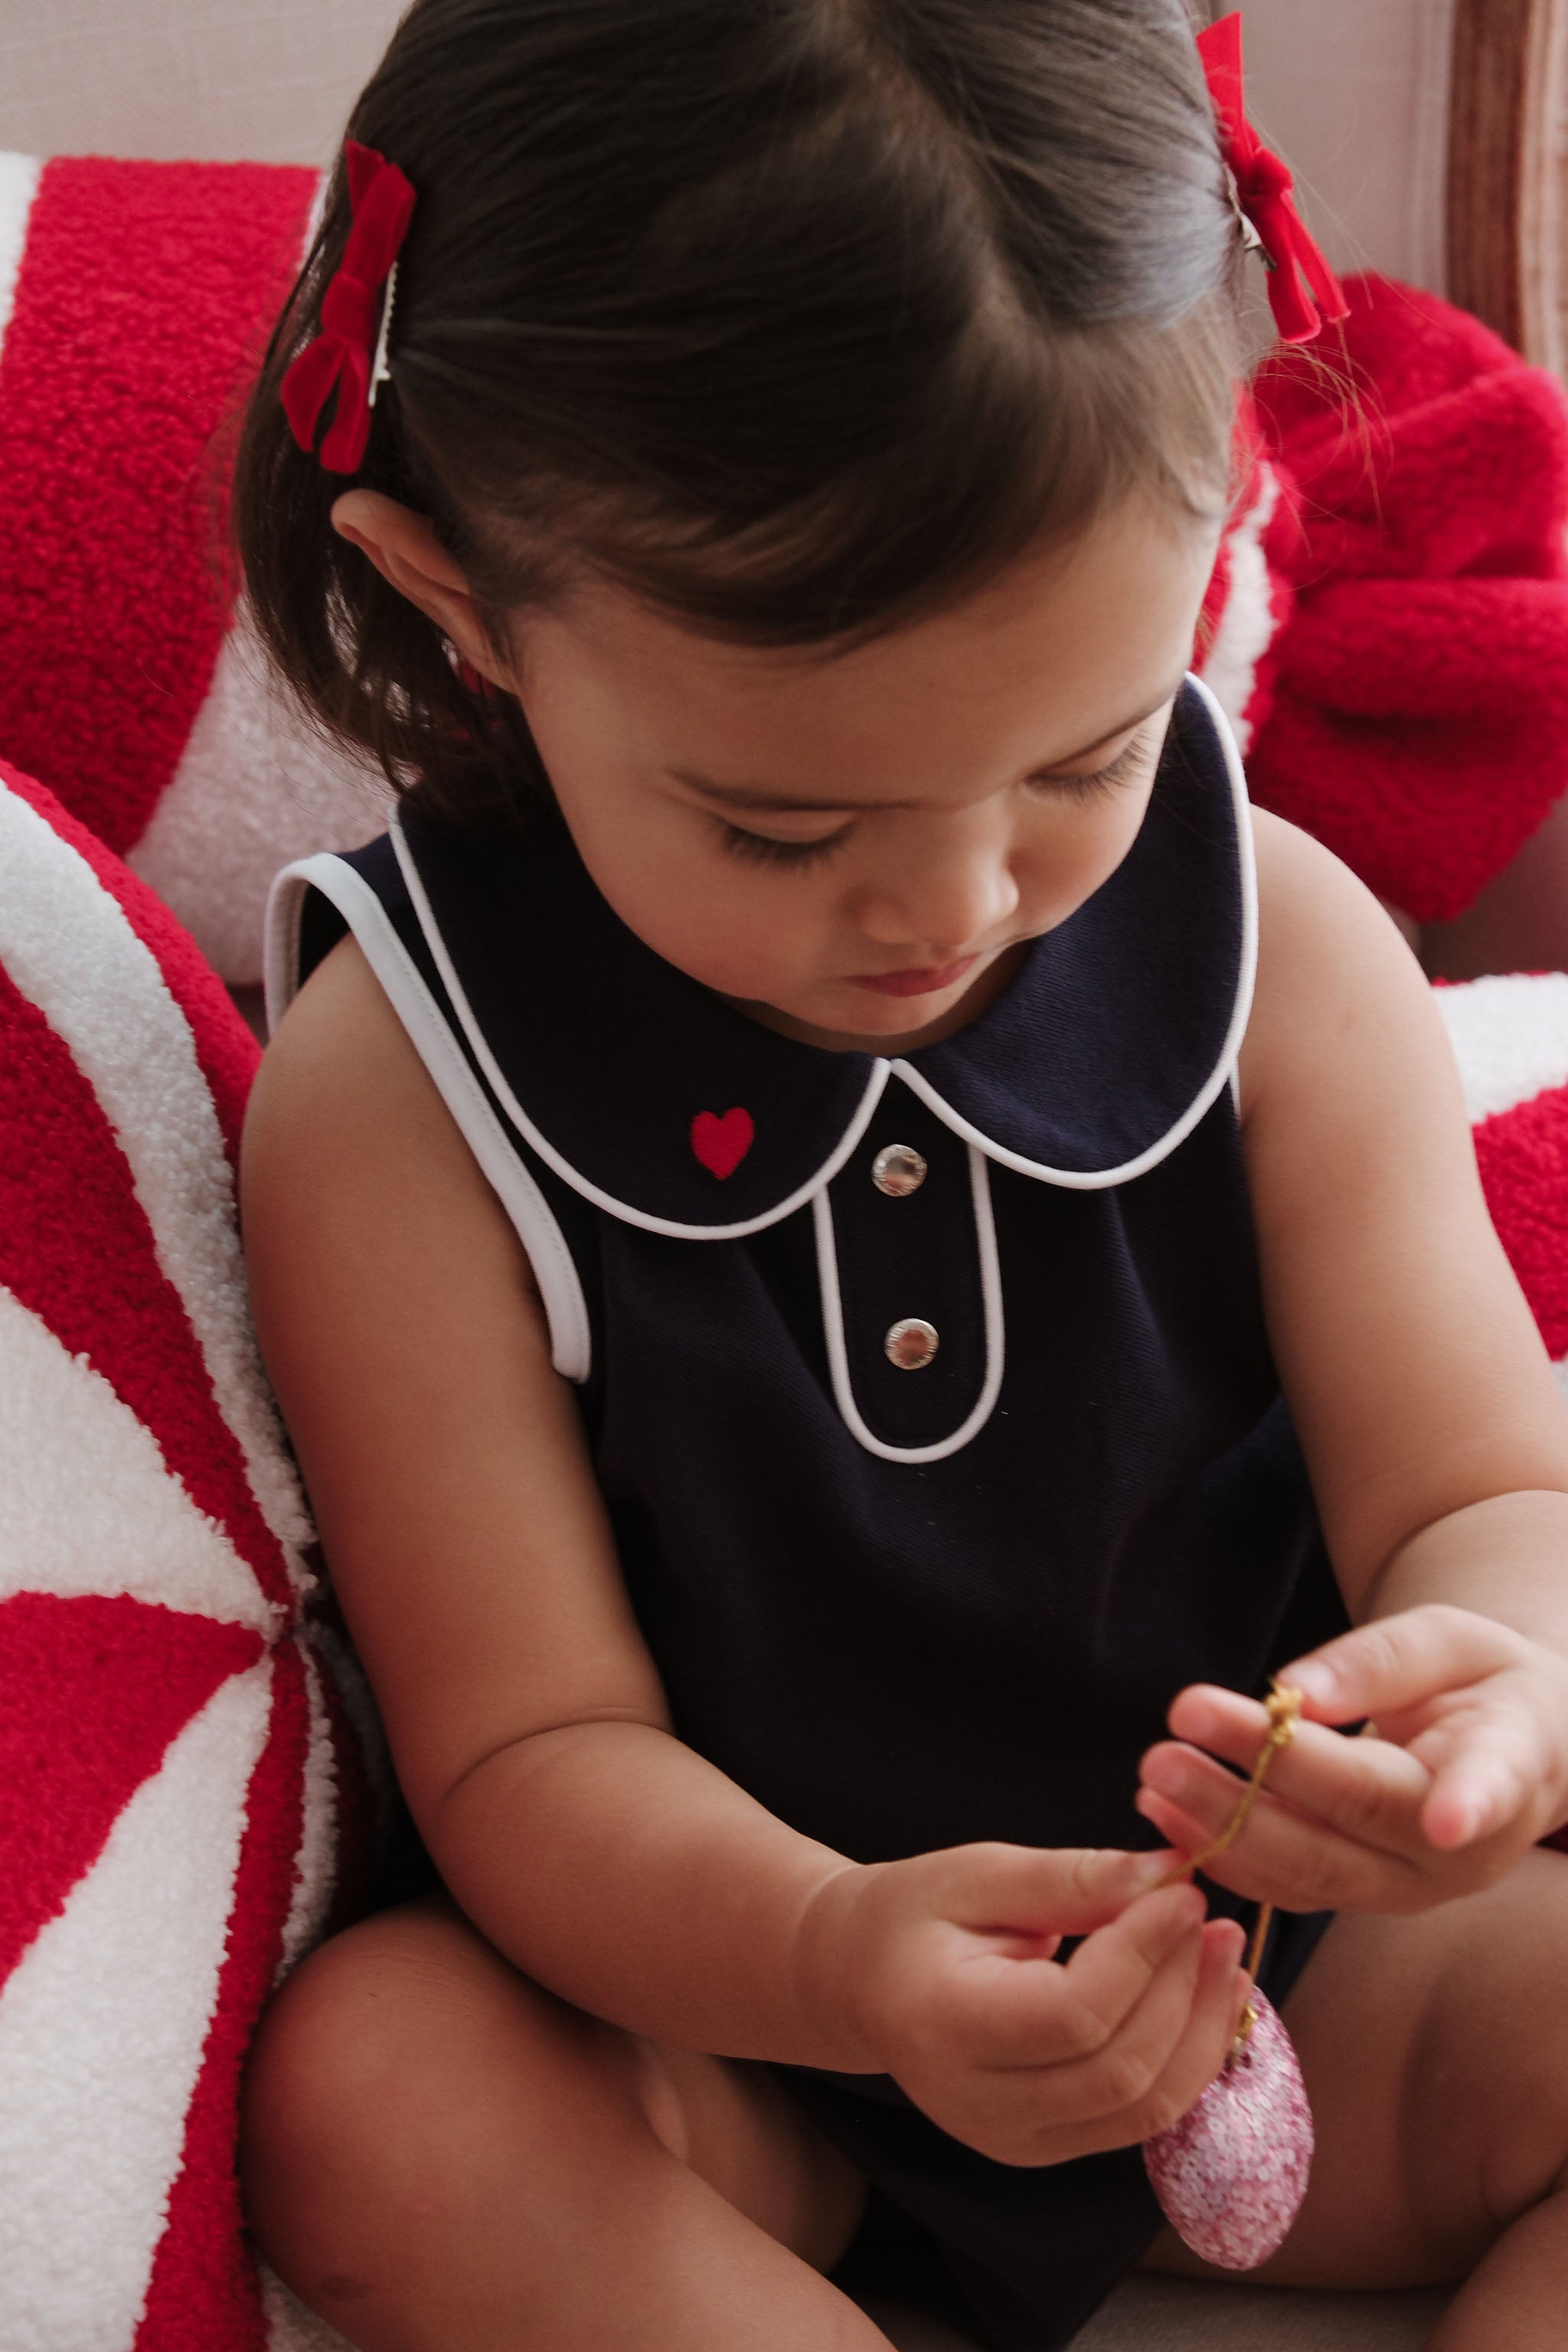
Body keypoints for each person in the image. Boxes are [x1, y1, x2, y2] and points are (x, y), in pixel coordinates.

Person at [232, 5, 1568, 2347]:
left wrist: (1499, 1704)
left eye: (1078, 757)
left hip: (1310, 1985)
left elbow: (1490, 1486)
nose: (948, 906)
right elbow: (534, 1753)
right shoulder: (401, 1091)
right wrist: (835, 1964)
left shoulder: (1284, 950)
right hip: (751, 2035)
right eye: (780, 821)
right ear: (462, 606)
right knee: (378, 2089)